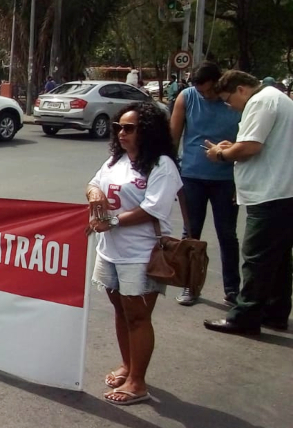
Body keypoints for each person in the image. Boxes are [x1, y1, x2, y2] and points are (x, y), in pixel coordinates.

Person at [86, 102, 181, 405]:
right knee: (120, 311)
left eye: (129, 128)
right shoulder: (116, 160)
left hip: (142, 253)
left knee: (138, 317)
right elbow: (93, 184)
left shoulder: (161, 165)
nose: (121, 133)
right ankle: (128, 366)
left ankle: (138, 383)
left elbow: (153, 208)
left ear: (147, 131)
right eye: (119, 128)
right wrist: (95, 193)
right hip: (111, 251)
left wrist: (110, 220)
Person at [203, 70, 293, 335]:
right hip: (281, 190)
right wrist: (233, 146)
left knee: (255, 257)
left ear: (242, 89)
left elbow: (250, 147)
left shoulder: (260, 101)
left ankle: (245, 316)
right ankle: (275, 312)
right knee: (277, 259)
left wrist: (221, 153)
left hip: (270, 192)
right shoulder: (277, 98)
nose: (230, 106)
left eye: (229, 99)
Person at [170, 61, 242, 306]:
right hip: (192, 177)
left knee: (227, 235)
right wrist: (169, 173)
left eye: (209, 90)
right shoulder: (187, 97)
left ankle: (232, 290)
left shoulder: (234, 102)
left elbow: (246, 140)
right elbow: (174, 136)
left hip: (226, 180)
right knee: (190, 235)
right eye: (201, 91)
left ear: (219, 82)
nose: (205, 95)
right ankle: (190, 286)